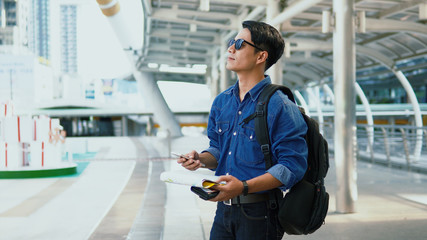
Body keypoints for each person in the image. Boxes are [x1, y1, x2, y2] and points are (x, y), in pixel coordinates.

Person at [178, 20, 308, 240]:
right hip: (224, 211)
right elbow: (219, 150)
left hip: (261, 214)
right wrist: (200, 158)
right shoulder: (222, 101)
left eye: (239, 44)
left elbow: (291, 166)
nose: (230, 48)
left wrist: (244, 187)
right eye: (231, 42)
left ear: (261, 56)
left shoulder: (281, 105)